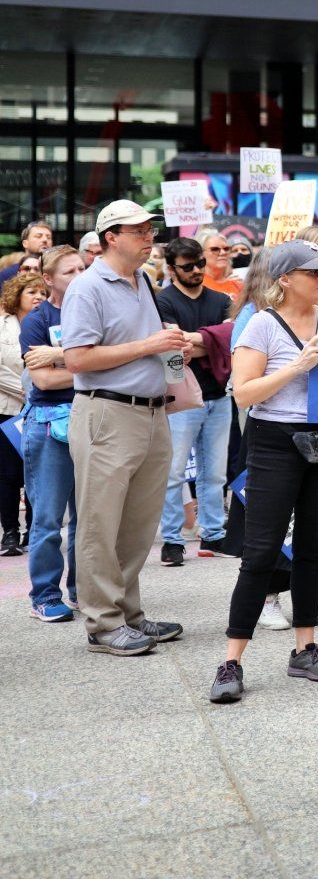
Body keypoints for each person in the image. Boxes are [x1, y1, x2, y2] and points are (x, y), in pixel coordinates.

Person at [208, 241, 318, 702]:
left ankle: (305, 648)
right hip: (274, 444)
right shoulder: (263, 323)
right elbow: (243, 393)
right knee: (260, 552)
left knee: (312, 550)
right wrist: (299, 365)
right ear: (285, 280)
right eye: (315, 273)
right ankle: (231, 660)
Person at [59, 200, 194, 657]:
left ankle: (129, 615)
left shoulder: (143, 280)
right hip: (107, 413)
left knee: (137, 524)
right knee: (100, 522)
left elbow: (139, 347)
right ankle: (102, 623)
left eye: (150, 229)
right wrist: (149, 345)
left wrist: (169, 351)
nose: (149, 236)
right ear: (110, 237)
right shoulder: (87, 287)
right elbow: (77, 359)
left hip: (151, 411)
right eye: (138, 230)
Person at [153, 237, 236, 566]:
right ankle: (172, 539)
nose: (198, 270)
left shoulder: (219, 298)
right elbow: (174, 347)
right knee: (173, 472)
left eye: (200, 263)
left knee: (214, 473)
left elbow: (232, 338)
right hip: (180, 397)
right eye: (188, 266)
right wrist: (212, 340)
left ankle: (213, 533)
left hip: (218, 394)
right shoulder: (164, 302)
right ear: (172, 269)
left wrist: (199, 341)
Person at [19, 248, 83, 620]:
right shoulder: (37, 320)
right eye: (69, 271)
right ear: (48, 279)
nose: (79, 275)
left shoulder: (92, 311)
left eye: (82, 268)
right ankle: (44, 595)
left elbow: (115, 361)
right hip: (48, 424)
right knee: (47, 518)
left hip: (91, 420)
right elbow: (43, 380)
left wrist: (60, 356)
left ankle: (79, 589)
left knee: (86, 518)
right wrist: (95, 365)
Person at [0, 271, 47, 555]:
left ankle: (34, 529)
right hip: (7, 408)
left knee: (36, 472)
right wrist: (25, 388)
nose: (39, 297)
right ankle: (9, 532)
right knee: (7, 474)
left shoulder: (46, 323)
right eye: (32, 292)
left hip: (39, 406)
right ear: (17, 297)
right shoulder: (2, 325)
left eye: (42, 292)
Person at [0, 220, 54, 286]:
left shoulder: (56, 273)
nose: (45, 240)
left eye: (49, 237)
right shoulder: (7, 275)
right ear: (25, 243)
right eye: (38, 236)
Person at [199, 233, 244, 301]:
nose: (223, 252)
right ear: (201, 254)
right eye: (215, 249)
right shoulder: (195, 284)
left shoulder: (237, 284)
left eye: (226, 248)